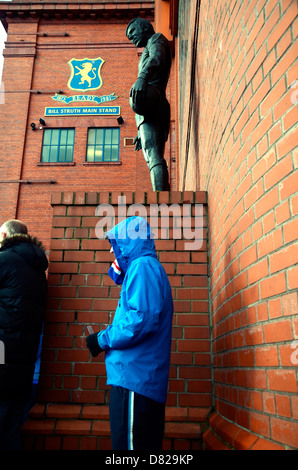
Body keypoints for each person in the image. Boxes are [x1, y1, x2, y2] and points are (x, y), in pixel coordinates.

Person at [86, 216, 173, 450]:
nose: (113, 252)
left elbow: (140, 320)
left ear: (127, 243)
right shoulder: (143, 268)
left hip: (135, 380)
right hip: (136, 379)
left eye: (115, 245)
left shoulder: (143, 267)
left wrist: (101, 339)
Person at [0, 220, 48, 450]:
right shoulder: (37, 270)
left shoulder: (5, 260)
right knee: (11, 428)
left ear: (5, 235)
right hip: (24, 361)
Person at [126, 18, 172, 191]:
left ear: (145, 27)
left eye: (132, 32)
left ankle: (161, 202)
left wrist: (141, 78)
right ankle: (162, 199)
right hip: (149, 110)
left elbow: (157, 58)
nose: (131, 39)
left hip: (155, 101)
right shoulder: (150, 44)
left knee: (154, 156)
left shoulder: (157, 39)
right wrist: (140, 130)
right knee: (151, 156)